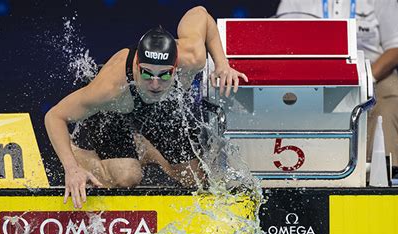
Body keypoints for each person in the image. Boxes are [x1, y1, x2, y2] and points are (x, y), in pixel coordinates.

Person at [45, 6, 248, 208]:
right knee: (127, 177)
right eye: (147, 74)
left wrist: (222, 64)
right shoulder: (110, 87)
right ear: (137, 65)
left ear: (176, 66)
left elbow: (200, 13)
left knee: (196, 181)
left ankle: (143, 148)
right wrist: (71, 168)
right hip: (113, 111)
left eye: (165, 74)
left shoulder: (193, 56)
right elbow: (54, 116)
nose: (155, 84)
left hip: (157, 109)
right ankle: (75, 150)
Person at [276, 0, 398, 178]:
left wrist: (368, 77)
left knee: (390, 101)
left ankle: (387, 171)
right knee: (280, 98)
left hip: (372, 71)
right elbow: (280, 40)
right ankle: (289, 170)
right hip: (312, 75)